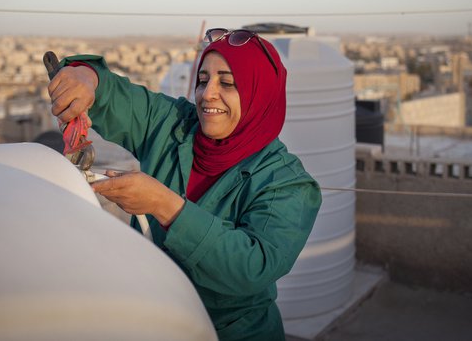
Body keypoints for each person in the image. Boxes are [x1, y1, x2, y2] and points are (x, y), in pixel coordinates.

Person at [47, 28, 322, 341]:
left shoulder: (285, 182)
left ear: (260, 94)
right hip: (154, 320)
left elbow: (253, 267)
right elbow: (118, 98)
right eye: (203, 80)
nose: (207, 94)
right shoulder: (174, 123)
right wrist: (86, 79)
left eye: (227, 83)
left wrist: (165, 206)